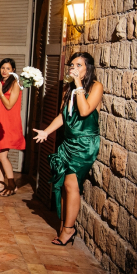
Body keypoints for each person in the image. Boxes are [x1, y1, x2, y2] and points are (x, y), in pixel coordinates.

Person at [34, 52, 102, 246]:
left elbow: (84, 110)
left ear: (87, 68)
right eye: (72, 65)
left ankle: (69, 230)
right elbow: (63, 116)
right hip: (68, 142)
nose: (74, 68)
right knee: (65, 184)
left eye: (79, 65)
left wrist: (79, 85)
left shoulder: (96, 87)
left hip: (85, 144)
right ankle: (65, 224)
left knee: (72, 184)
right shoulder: (68, 89)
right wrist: (46, 132)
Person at [0, 58, 25, 196]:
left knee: (2, 156)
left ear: (13, 70)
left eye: (8, 68)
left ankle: (12, 184)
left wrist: (0, 91)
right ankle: (0, 183)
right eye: (3, 68)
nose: (4, 71)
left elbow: (9, 105)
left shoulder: (15, 83)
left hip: (7, 123)